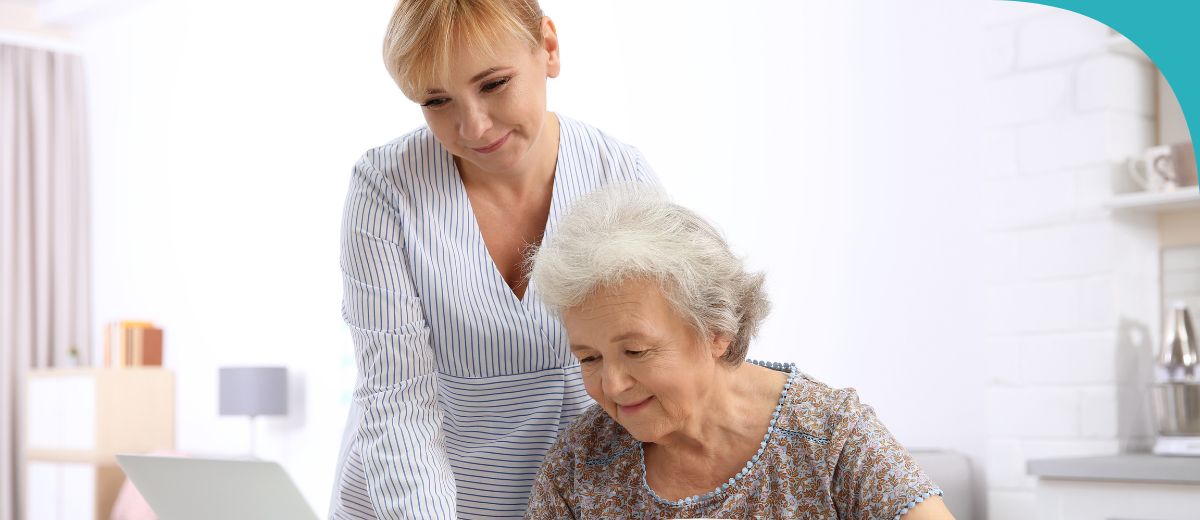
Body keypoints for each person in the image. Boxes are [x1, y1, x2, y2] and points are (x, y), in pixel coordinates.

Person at [328, 1, 657, 518]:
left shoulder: (618, 175)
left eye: (494, 84)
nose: (474, 127)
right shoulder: (386, 188)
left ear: (548, 47)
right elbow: (397, 400)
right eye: (437, 101)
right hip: (411, 501)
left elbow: (657, 370)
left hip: (575, 500)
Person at [524, 185, 955, 519]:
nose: (612, 385)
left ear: (717, 330)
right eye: (589, 358)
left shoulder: (830, 436)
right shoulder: (581, 462)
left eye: (636, 351)